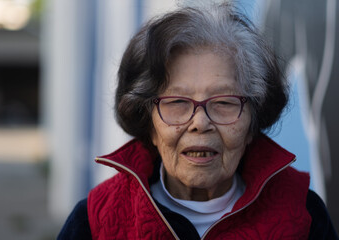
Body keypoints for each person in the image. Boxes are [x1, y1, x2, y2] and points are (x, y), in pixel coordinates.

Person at [58, 3, 338, 239]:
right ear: (150, 125)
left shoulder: (304, 214)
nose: (200, 123)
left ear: (253, 123)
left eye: (225, 103)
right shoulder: (95, 221)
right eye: (177, 102)